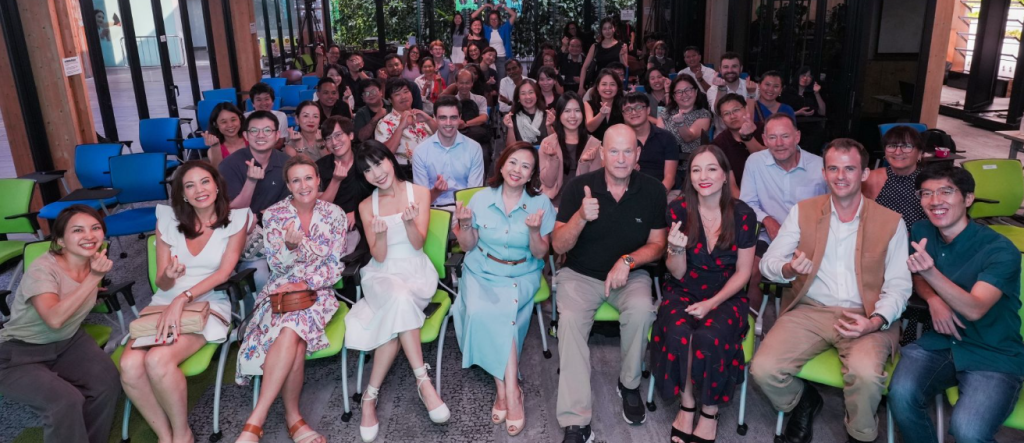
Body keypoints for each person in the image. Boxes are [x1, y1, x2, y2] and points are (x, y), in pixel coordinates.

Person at [752, 138, 912, 443]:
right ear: (823, 173)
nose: (841, 176)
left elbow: (899, 285)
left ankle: (860, 434)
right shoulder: (804, 212)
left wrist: (875, 321)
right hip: (810, 310)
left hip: (865, 314)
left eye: (850, 169)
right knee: (764, 369)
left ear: (864, 173)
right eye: (833, 168)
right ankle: (804, 400)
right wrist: (788, 269)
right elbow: (769, 263)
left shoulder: (891, 222)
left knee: (866, 376)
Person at [888, 166, 1024, 443]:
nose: (935, 200)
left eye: (946, 191)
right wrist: (933, 299)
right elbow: (917, 276)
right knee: (900, 395)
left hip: (992, 352)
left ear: (968, 198)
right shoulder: (922, 230)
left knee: (969, 430)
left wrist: (930, 273)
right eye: (926, 193)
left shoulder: (1000, 250)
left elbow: (975, 308)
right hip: (941, 342)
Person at [552, 124, 668, 443]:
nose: (620, 158)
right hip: (580, 274)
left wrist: (628, 260)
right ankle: (576, 420)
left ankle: (629, 384)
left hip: (629, 275)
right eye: (613, 151)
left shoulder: (653, 190)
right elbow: (558, 245)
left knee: (642, 311)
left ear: (638, 154)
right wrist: (580, 217)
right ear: (602, 153)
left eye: (627, 151)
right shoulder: (578, 188)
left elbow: (658, 244)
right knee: (570, 322)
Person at [119, 163, 250, 443]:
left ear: (217, 186)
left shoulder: (237, 220)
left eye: (205, 182)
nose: (199, 190)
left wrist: (183, 298)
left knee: (157, 360)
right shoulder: (167, 220)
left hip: (207, 303)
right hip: (163, 303)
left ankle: (182, 434)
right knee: (129, 366)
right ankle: (164, 435)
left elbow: (224, 273)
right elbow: (162, 283)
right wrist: (168, 276)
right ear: (182, 194)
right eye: (190, 185)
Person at [235, 155, 346, 443]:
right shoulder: (274, 215)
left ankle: (255, 421)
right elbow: (277, 266)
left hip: (318, 292)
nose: (303, 185)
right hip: (281, 291)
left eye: (308, 178)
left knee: (292, 326)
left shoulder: (335, 214)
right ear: (288, 185)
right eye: (296, 180)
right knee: (293, 336)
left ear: (318, 180)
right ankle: (294, 419)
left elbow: (335, 266)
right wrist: (289, 248)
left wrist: (305, 282)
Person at [344, 142, 450, 442]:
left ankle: (369, 397)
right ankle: (423, 382)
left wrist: (408, 223)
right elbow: (378, 256)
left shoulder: (420, 193)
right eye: (367, 170)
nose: (376, 173)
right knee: (398, 299)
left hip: (416, 272)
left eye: (379, 163)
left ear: (391, 160)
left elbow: (417, 244)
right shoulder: (366, 206)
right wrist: (379, 236)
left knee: (398, 307)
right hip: (382, 275)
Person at [651, 145, 757, 443]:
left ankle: (710, 412)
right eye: (696, 170)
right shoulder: (677, 211)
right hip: (683, 289)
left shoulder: (743, 214)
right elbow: (677, 273)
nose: (703, 176)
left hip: (727, 294)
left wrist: (712, 303)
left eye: (712, 169)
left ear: (725, 176)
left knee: (709, 337)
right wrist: (675, 249)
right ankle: (686, 405)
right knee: (679, 333)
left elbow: (744, 273)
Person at [451, 142, 556, 436]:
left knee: (501, 313)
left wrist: (534, 232)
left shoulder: (541, 203)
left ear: (532, 174)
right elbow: (468, 246)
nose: (517, 170)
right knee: (482, 311)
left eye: (525, 166)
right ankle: (510, 391)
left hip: (522, 273)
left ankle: (507, 394)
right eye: (513, 162)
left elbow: (540, 254)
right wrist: (465, 225)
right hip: (482, 270)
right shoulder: (481, 199)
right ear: (502, 164)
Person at [0, 205, 120, 443]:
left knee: (107, 383)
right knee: (63, 402)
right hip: (17, 351)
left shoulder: (93, 259)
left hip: (68, 340)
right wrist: (93, 279)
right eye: (78, 230)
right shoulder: (43, 269)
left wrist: (92, 287)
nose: (89, 235)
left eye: (95, 228)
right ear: (60, 241)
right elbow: (54, 319)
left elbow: (76, 295)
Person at [738, 113, 825, 323]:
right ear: (764, 139)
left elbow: (831, 207)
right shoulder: (755, 162)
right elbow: (747, 203)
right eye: (772, 137)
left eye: (785, 136)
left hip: (807, 239)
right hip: (768, 235)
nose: (779, 143)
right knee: (751, 269)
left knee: (812, 275)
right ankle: (749, 325)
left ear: (797, 137)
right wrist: (767, 220)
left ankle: (798, 323)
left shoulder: (819, 166)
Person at [412, 96, 484, 207]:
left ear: (460, 118)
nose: (448, 123)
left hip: (466, 208)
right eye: (443, 118)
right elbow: (421, 201)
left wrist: (462, 215)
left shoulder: (474, 148)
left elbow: (474, 194)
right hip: (433, 210)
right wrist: (436, 191)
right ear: (435, 118)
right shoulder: (420, 151)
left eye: (453, 118)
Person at [317, 116, 373, 258]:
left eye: (338, 135)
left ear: (351, 135)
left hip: (369, 219)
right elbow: (320, 207)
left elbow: (383, 192)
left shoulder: (366, 159)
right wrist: (336, 180)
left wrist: (358, 212)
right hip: (334, 227)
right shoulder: (321, 166)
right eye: (328, 138)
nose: (334, 142)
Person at [220, 111, 291, 217]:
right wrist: (251, 182)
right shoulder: (229, 165)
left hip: (279, 220)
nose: (260, 135)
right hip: (242, 224)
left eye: (267, 130)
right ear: (246, 135)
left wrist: (264, 216)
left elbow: (292, 202)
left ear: (277, 135)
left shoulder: (287, 162)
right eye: (254, 131)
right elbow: (232, 212)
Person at [539, 92, 603, 202]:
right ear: (559, 114)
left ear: (583, 114)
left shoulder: (594, 144)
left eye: (577, 110)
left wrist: (584, 163)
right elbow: (548, 183)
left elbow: (593, 183)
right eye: (567, 111)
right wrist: (552, 158)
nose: (572, 116)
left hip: (582, 200)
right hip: (553, 200)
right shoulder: (548, 143)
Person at [862, 126, 928, 231]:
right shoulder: (870, 178)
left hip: (918, 239)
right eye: (892, 146)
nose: (897, 152)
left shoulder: (930, 181)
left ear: (920, 153)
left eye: (906, 146)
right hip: (880, 238)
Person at [622, 91, 678, 192]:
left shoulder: (666, 137)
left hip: (661, 191)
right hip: (627, 191)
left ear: (648, 110)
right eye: (628, 109)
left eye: (638, 107)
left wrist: (657, 197)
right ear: (623, 114)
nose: (633, 112)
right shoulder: (620, 140)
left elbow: (669, 178)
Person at [375, 79, 437, 168]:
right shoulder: (384, 123)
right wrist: (400, 128)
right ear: (390, 100)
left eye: (406, 92)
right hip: (406, 171)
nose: (403, 97)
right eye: (397, 94)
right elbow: (384, 155)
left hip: (433, 166)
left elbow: (446, 140)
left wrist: (429, 120)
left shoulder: (423, 117)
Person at [711, 93, 763, 189]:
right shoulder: (719, 144)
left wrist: (748, 137)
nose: (732, 116)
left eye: (736, 110)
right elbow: (731, 186)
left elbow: (769, 160)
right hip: (741, 193)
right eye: (726, 113)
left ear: (746, 109)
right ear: (722, 119)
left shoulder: (764, 129)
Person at [659, 74, 713, 156]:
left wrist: (680, 124)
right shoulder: (665, 112)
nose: (684, 95)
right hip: (665, 158)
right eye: (679, 92)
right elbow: (658, 137)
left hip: (690, 159)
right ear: (674, 97)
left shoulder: (704, 114)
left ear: (696, 92)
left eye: (688, 90)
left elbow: (689, 138)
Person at [447, 69, 491, 162]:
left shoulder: (480, 99)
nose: (464, 86)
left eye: (467, 83)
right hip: (456, 138)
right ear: (456, 83)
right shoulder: (450, 102)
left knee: (484, 156)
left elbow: (483, 117)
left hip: (477, 136)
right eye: (461, 83)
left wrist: (465, 124)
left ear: (472, 83)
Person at [707, 52, 756, 134]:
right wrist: (721, 89)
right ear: (720, 69)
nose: (730, 70)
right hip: (723, 136)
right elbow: (717, 111)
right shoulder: (713, 90)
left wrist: (751, 93)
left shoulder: (752, 87)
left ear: (741, 68)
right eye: (726, 67)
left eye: (734, 66)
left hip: (748, 134)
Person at [578, 17, 628, 96]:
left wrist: (621, 55)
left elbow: (624, 68)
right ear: (601, 30)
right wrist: (581, 87)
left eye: (610, 28)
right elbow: (584, 67)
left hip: (615, 85)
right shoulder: (595, 47)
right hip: (598, 84)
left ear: (614, 29)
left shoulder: (622, 46)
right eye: (604, 29)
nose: (607, 31)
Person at [472, 2, 517, 79]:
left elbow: (514, 15)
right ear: (489, 20)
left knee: (501, 80)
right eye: (491, 19)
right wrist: (485, 6)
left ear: (499, 20)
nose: (493, 21)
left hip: (501, 58)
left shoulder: (505, 28)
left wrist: (502, 6)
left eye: (495, 19)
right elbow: (473, 16)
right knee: (487, 80)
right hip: (488, 58)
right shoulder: (486, 29)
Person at [503, 79, 550, 147]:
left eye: (531, 92)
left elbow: (555, 144)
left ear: (537, 95)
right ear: (518, 98)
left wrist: (549, 126)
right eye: (523, 93)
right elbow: (510, 148)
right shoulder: (512, 118)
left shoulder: (547, 115)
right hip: (521, 153)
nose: (528, 97)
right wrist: (510, 128)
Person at [584, 68, 626, 141]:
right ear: (598, 87)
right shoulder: (588, 104)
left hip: (618, 144)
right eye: (604, 84)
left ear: (617, 87)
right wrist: (602, 114)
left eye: (612, 84)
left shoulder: (624, 104)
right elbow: (590, 128)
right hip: (594, 146)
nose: (608, 88)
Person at [244, 82, 290, 149]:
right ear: (253, 103)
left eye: (266, 99)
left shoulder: (281, 116)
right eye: (259, 100)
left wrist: (262, 151)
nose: (263, 103)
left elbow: (280, 143)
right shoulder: (245, 118)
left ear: (272, 101)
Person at [204, 102, 247, 168]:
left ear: (240, 119)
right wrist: (215, 147)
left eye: (233, 120)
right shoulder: (212, 151)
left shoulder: (252, 139)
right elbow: (217, 172)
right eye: (224, 122)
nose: (230, 125)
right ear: (216, 124)